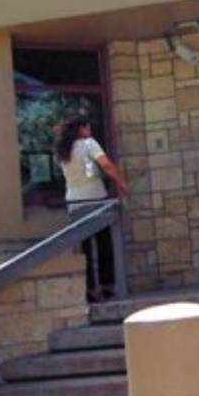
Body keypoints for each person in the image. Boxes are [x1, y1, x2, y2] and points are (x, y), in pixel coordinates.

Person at [55, 116, 131, 299]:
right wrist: (122, 183)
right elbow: (106, 165)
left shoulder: (63, 149)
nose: (90, 131)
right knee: (104, 245)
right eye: (88, 128)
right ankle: (107, 287)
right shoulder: (89, 144)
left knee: (86, 248)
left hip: (74, 202)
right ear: (82, 129)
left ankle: (89, 290)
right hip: (96, 200)